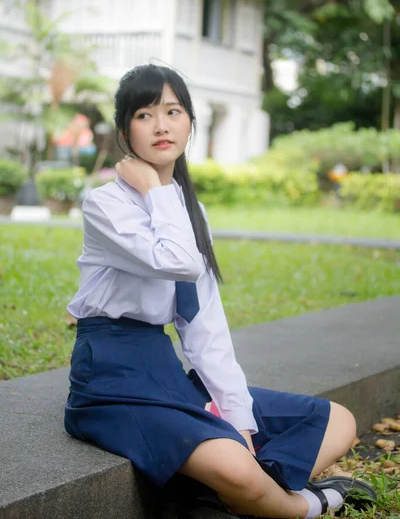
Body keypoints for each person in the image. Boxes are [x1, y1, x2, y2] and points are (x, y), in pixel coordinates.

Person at [64, 64, 375, 519]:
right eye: (145, 115)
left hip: (165, 373)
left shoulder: (192, 210)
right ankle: (310, 503)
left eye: (173, 111)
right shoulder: (106, 205)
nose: (162, 125)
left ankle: (226, 496)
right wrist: (154, 188)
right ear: (124, 129)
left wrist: (240, 418)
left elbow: (203, 322)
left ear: (191, 122)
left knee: (337, 421)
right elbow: (180, 262)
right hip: (113, 382)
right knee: (236, 466)